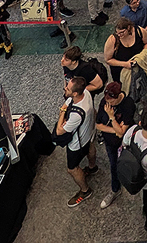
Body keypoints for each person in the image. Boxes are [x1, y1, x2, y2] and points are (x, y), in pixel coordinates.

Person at [56, 75, 98, 207]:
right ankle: (92, 167)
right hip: (87, 133)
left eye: (67, 88)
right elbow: (69, 100)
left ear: (75, 93)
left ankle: (85, 190)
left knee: (72, 169)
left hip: (76, 144)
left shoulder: (75, 115)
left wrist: (62, 112)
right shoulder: (85, 93)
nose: (65, 88)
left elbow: (59, 131)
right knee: (90, 148)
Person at [96, 81, 137, 209]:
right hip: (111, 143)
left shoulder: (128, 104)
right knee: (113, 166)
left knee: (131, 164)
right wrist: (115, 130)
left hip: (126, 143)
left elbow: (122, 132)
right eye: (107, 101)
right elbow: (98, 125)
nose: (109, 104)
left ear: (118, 96)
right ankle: (115, 189)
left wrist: (112, 118)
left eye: (112, 102)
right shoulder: (105, 102)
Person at [104, 17, 147, 84]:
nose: (119, 35)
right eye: (117, 33)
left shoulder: (140, 31)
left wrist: (142, 56)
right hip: (120, 72)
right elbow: (108, 60)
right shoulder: (113, 40)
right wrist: (125, 64)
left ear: (128, 28)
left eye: (122, 32)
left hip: (138, 67)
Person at [120, 0, 147, 67]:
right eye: (134, 3)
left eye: (138, 0)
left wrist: (145, 30)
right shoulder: (124, 13)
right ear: (129, 4)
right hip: (135, 35)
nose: (137, 3)